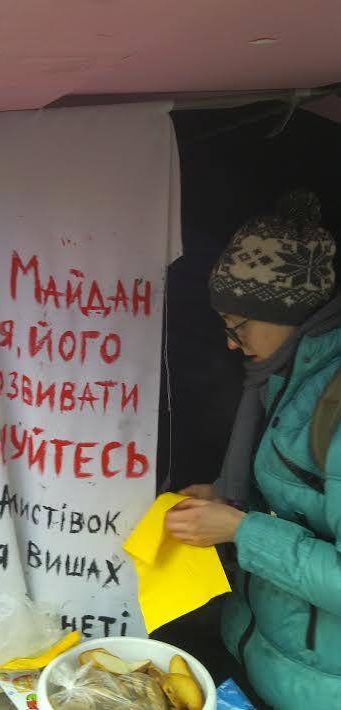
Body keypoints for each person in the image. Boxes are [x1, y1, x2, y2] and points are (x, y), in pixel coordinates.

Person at [165, 189, 341, 710]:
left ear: (292, 312)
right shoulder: (284, 378)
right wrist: (226, 498)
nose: (229, 343)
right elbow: (296, 498)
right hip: (264, 655)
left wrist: (241, 530)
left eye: (238, 326)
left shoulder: (330, 400)